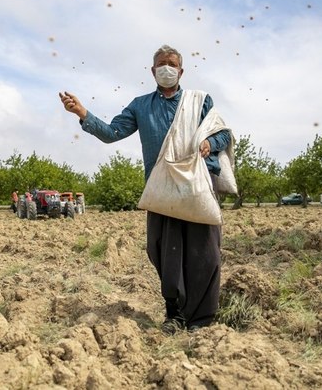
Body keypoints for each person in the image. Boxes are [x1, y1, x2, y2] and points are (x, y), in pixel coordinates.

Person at [59, 44, 231, 334]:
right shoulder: (140, 105)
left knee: (205, 252)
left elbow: (223, 134)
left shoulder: (200, 101)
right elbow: (113, 133)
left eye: (172, 64)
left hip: (197, 186)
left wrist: (209, 144)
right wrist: (82, 112)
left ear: (181, 70)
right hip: (162, 189)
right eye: (161, 64)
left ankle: (202, 319)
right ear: (153, 71)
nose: (167, 69)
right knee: (164, 250)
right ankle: (174, 314)